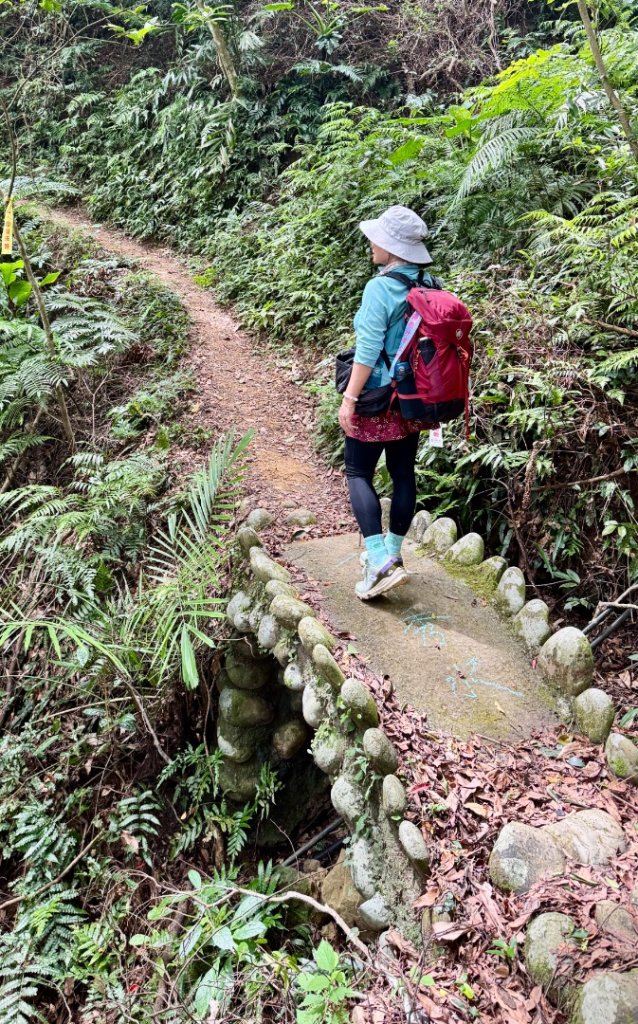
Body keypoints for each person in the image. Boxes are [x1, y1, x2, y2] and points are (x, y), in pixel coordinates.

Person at [339, 204, 437, 600]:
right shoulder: (428, 283)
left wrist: (349, 399)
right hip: (413, 400)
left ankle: (378, 558)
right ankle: (394, 557)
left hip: (377, 396)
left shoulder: (380, 288)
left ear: (391, 246)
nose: (371, 243)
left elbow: (367, 350)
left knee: (357, 472)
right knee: (402, 475)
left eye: (376, 238)